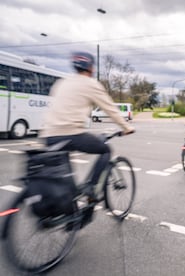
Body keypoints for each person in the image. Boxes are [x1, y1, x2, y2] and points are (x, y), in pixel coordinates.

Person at [40, 51, 135, 201]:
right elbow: (109, 108)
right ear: (90, 67)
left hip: (48, 135)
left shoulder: (61, 82)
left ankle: (69, 208)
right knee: (106, 150)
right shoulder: (90, 84)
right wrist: (126, 127)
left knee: (66, 174)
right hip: (71, 133)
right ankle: (91, 187)